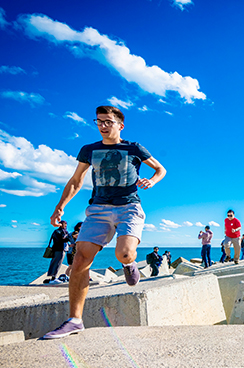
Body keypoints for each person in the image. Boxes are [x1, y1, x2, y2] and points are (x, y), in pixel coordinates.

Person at [43, 105, 166, 339]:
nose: (102, 126)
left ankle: (130, 264)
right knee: (79, 260)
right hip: (98, 209)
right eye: (99, 121)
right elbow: (76, 180)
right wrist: (60, 206)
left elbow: (161, 169)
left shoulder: (134, 148)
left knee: (125, 253)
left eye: (108, 121)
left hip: (129, 207)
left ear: (120, 125)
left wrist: (152, 180)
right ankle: (74, 320)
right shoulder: (89, 150)